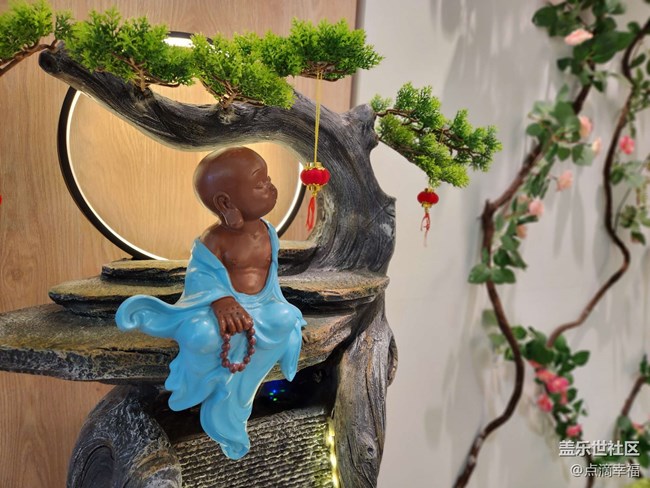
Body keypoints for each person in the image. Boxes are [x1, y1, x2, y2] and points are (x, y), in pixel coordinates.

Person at [116, 147, 305, 460]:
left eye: (269, 179)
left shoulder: (268, 231)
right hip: (221, 306)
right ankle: (213, 389)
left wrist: (263, 303)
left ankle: (241, 390)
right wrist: (221, 299)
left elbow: (268, 277)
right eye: (260, 183)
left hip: (262, 304)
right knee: (201, 335)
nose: (271, 187)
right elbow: (200, 276)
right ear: (226, 203)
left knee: (286, 318)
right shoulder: (213, 239)